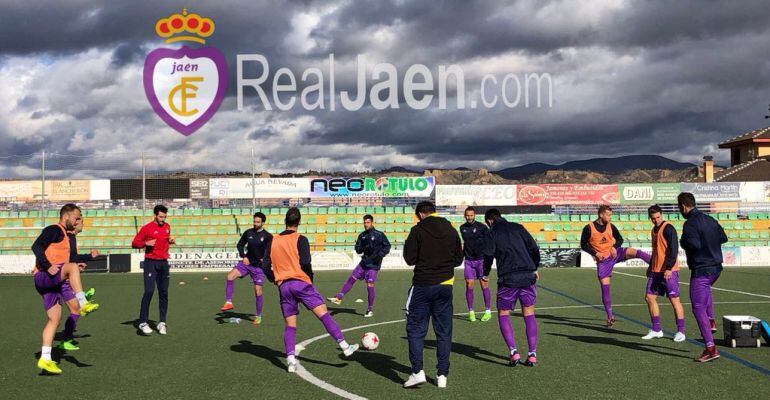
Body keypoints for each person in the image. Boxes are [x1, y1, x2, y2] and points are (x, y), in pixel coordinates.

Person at [262, 207, 358, 373]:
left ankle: (291, 361)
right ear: (299, 222)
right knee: (323, 314)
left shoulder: (273, 240)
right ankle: (344, 346)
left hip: (284, 286)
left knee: (290, 325)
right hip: (301, 283)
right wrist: (310, 279)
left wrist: (274, 279)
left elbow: (264, 265)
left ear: (285, 221)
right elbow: (306, 262)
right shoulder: (300, 239)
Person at [31, 203, 99, 374]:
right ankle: (83, 302)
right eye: (76, 218)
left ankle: (45, 359)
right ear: (66, 216)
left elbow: (68, 260)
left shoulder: (67, 236)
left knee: (54, 320)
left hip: (52, 283)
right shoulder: (54, 229)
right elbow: (36, 246)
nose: (77, 221)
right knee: (72, 268)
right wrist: (47, 266)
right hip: (44, 276)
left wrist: (79, 262)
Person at [402, 201, 463, 389]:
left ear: (421, 213)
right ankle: (442, 375)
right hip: (446, 285)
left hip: (423, 284)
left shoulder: (418, 230)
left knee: (416, 329)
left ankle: (417, 371)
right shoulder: (451, 229)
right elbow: (458, 259)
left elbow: (409, 259)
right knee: (444, 331)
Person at [483, 208, 541, 367]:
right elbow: (534, 248)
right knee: (529, 312)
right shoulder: (518, 227)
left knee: (503, 313)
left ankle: (514, 352)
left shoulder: (492, 232)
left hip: (508, 278)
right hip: (527, 275)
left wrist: (485, 273)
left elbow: (488, 255)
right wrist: (534, 267)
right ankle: (532, 354)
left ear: (489, 221)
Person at [580, 205, 651, 327]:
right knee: (605, 288)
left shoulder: (611, 226)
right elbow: (583, 245)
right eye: (608, 215)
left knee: (636, 252)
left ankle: (655, 264)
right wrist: (595, 253)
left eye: (611, 215)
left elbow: (620, 239)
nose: (610, 217)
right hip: (603, 261)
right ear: (601, 215)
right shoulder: (588, 228)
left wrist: (614, 247)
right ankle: (610, 317)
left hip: (615, 253)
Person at [678, 192, 727, 362]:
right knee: (706, 291)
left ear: (683, 206)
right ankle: (711, 320)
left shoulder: (690, 223)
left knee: (697, 308)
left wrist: (683, 241)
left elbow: (694, 244)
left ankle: (710, 348)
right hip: (716, 268)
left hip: (702, 269)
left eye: (680, 208)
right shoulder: (710, 219)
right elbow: (723, 238)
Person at [327, 214, 391, 317]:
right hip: (364, 263)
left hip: (374, 265)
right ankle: (339, 297)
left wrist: (380, 255)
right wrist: (361, 248)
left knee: (370, 286)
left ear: (372, 223)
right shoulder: (362, 235)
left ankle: (370, 310)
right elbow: (358, 249)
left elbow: (387, 246)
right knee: (351, 279)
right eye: (364, 222)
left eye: (368, 222)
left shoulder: (379, 234)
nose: (366, 224)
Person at [641, 205, 686, 342]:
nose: (656, 220)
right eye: (653, 218)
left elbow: (674, 249)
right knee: (649, 297)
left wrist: (669, 268)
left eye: (658, 217)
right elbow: (656, 251)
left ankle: (681, 331)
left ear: (661, 214)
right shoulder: (653, 230)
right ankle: (656, 329)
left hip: (669, 271)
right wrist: (651, 266)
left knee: (674, 300)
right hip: (655, 271)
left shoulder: (668, 228)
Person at [220, 212, 272, 325]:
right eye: (254, 221)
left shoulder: (268, 236)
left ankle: (258, 316)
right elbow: (240, 245)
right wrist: (243, 256)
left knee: (258, 291)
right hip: (246, 264)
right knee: (230, 276)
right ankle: (228, 302)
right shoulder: (248, 233)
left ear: (263, 223)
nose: (255, 223)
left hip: (258, 268)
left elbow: (269, 253)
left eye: (258, 222)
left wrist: (264, 260)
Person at [132, 204, 175, 335]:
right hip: (151, 263)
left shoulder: (167, 227)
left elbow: (164, 240)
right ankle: (143, 322)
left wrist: (170, 241)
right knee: (149, 291)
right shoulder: (147, 228)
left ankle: (162, 322)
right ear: (155, 215)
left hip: (164, 263)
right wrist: (145, 243)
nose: (163, 219)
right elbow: (134, 243)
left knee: (164, 292)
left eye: (164, 217)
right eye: (161, 217)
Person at [58, 218, 99, 351]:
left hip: (63, 275)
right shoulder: (69, 237)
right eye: (81, 221)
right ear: (75, 224)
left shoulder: (71, 237)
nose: (83, 224)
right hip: (61, 278)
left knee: (74, 310)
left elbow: (71, 257)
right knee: (69, 312)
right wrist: (88, 257)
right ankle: (83, 299)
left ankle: (66, 339)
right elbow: (69, 257)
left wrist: (78, 263)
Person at [459, 206, 491, 322]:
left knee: (484, 285)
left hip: (481, 260)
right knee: (469, 284)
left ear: (474, 215)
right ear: (465, 216)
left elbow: (489, 242)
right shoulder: (462, 228)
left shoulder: (482, 227)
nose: (469, 217)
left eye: (471, 215)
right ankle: (471, 311)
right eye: (467, 215)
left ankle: (488, 311)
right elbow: (466, 243)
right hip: (468, 260)